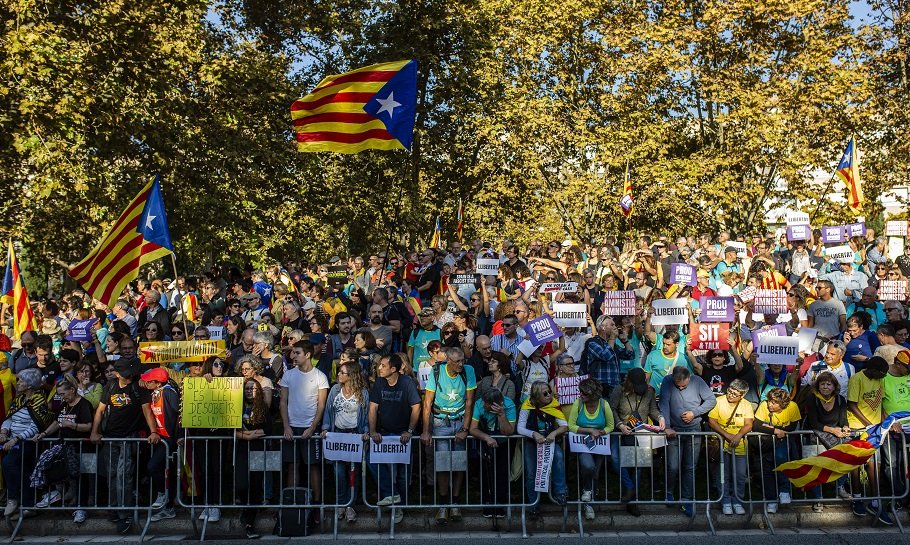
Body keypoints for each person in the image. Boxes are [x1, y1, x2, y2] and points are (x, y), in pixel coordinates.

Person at [90, 358, 154, 534]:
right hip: (110, 438)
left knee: (124, 476)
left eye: (132, 374)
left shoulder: (138, 386)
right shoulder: (110, 386)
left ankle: (124, 514)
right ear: (117, 374)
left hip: (129, 438)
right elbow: (100, 411)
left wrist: (153, 432)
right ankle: (113, 508)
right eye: (126, 375)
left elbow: (147, 410)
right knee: (111, 475)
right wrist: (94, 432)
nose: (130, 377)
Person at [421, 347, 476, 524]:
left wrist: (465, 429)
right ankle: (444, 502)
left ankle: (456, 502)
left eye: (463, 360)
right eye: (457, 361)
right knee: (443, 463)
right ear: (448, 361)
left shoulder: (469, 371)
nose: (461, 364)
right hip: (440, 421)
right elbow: (428, 402)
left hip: (459, 420)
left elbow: (469, 401)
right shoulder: (437, 371)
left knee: (459, 462)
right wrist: (426, 430)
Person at [368, 354, 421, 524]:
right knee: (372, 462)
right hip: (383, 434)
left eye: (383, 365)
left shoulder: (407, 382)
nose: (379, 368)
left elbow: (416, 407)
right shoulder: (379, 383)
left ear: (393, 369)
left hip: (402, 435)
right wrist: (372, 431)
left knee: (402, 474)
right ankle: (392, 495)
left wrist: (410, 431)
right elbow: (372, 408)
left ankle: (400, 508)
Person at [659, 366, 717, 517]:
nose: (680, 388)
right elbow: (664, 403)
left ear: (689, 377)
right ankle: (669, 492)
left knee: (690, 467)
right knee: (672, 466)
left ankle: (686, 499)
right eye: (677, 385)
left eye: (683, 385)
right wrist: (667, 427)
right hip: (674, 431)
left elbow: (711, 400)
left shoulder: (697, 381)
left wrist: (695, 412)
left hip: (694, 430)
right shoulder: (667, 381)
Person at [280, 341, 329, 503]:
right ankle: (291, 503)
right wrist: (286, 426)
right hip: (292, 427)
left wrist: (313, 427)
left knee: (313, 466)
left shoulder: (320, 376)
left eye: (297, 353)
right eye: (293, 352)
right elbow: (283, 401)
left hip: (310, 427)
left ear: (307, 355)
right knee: (292, 466)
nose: (293, 356)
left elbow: (321, 404)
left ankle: (316, 504)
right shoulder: (288, 375)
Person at [609, 368, 663, 515]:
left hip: (640, 432)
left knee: (638, 466)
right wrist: (620, 425)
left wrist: (660, 418)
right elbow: (611, 409)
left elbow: (653, 410)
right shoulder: (618, 390)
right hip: (620, 431)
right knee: (615, 459)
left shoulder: (649, 391)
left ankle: (633, 501)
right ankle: (630, 488)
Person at [321, 361, 369, 523]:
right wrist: (326, 428)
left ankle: (351, 505)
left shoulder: (363, 392)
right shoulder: (335, 390)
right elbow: (328, 411)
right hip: (337, 435)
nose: (339, 375)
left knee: (353, 473)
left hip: (355, 436)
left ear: (352, 376)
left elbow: (367, 414)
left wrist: (366, 432)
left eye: (342, 373)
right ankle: (341, 503)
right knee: (339, 473)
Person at [1, 368, 53, 517]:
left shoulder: (38, 401)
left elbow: (36, 425)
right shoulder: (18, 399)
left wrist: (16, 439)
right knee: (25, 473)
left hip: (28, 442)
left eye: (22, 381)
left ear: (30, 385)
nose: (18, 383)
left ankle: (13, 499)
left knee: (8, 463)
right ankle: (28, 506)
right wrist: (3, 432)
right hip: (13, 442)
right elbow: (9, 418)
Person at [517, 381, 568, 519]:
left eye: (549, 391)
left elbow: (564, 425)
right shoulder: (527, 405)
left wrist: (554, 433)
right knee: (531, 473)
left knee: (558, 459)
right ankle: (533, 505)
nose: (549, 395)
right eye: (544, 393)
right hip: (532, 442)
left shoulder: (554, 403)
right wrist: (533, 434)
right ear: (536, 396)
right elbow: (520, 428)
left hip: (550, 440)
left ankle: (560, 493)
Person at [846, 356, 889, 520]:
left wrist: (884, 421)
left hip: (875, 429)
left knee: (874, 465)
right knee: (856, 465)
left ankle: (875, 502)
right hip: (858, 427)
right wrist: (868, 423)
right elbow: (851, 403)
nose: (883, 377)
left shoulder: (880, 380)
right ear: (872, 370)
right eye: (881, 374)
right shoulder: (857, 379)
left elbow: (881, 403)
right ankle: (857, 499)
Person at [567, 378, 615, 520]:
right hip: (582, 444)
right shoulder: (578, 403)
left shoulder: (604, 404)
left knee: (595, 474)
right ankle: (587, 490)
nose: (580, 394)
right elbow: (571, 425)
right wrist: (589, 430)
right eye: (580, 392)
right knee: (588, 466)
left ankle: (589, 505)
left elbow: (610, 426)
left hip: (600, 444)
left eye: (584, 393)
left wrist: (600, 432)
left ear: (592, 394)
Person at [803, 371, 851, 511]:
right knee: (816, 467)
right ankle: (818, 499)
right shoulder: (812, 399)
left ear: (834, 386)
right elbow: (814, 423)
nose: (825, 387)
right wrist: (833, 430)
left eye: (828, 384)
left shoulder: (841, 399)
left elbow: (843, 420)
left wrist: (845, 427)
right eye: (822, 384)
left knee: (845, 459)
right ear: (817, 386)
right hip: (815, 436)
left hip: (834, 436)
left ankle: (840, 486)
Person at [706, 379, 753, 515]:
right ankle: (725, 501)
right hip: (721, 443)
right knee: (723, 475)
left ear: (742, 396)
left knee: (739, 475)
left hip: (739, 445)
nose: (731, 395)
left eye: (735, 394)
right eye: (730, 391)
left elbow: (748, 424)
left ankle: (737, 500)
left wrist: (738, 436)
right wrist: (726, 435)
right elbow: (712, 421)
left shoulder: (746, 405)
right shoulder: (719, 401)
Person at [468, 388, 516, 518]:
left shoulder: (509, 404)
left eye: (487, 404)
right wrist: (487, 438)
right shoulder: (479, 403)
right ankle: (487, 505)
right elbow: (473, 429)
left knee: (502, 473)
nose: (483, 405)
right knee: (485, 473)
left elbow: (509, 431)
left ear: (496, 404)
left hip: (503, 441)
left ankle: (500, 505)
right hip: (486, 439)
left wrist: (501, 415)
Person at [141, 367, 180, 523]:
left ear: (157, 383)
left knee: (153, 467)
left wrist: (179, 436)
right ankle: (168, 508)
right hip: (160, 439)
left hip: (170, 439)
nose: (145, 382)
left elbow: (179, 414)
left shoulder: (169, 392)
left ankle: (163, 495)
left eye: (149, 380)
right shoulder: (156, 392)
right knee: (165, 472)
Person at [235, 379, 271, 539]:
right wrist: (246, 435)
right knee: (242, 485)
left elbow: (267, 429)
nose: (249, 391)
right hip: (242, 450)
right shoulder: (237, 407)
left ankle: (249, 522)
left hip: (258, 450)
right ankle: (244, 509)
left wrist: (251, 434)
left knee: (256, 486)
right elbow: (231, 429)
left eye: (253, 388)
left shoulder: (263, 407)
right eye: (247, 388)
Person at [580, 316, 634, 396]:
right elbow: (606, 356)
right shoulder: (592, 343)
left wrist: (625, 341)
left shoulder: (612, 344)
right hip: (599, 390)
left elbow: (630, 355)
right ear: (603, 327)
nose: (615, 327)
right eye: (612, 325)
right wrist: (612, 338)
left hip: (615, 389)